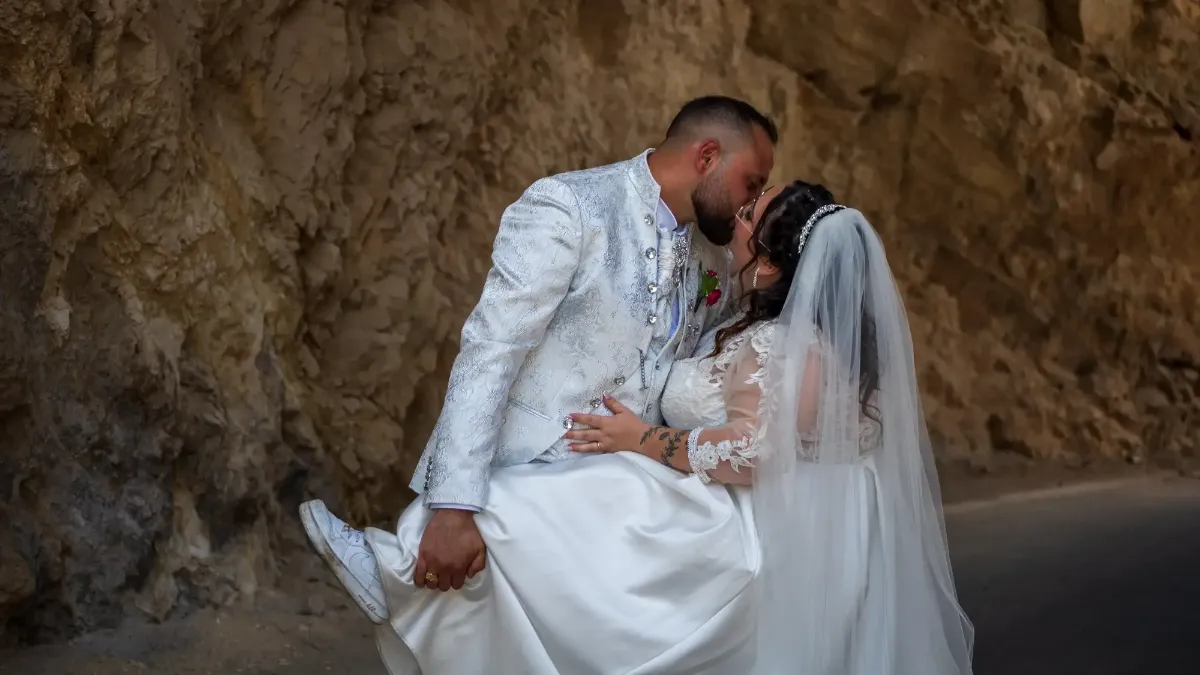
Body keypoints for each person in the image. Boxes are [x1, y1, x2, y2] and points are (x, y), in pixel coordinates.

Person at [299, 96, 777, 673]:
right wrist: (454, 504)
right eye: (751, 183)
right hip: (532, 464)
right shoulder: (570, 205)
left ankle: (393, 572)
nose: (752, 204)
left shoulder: (716, 260)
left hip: (627, 486)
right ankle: (397, 564)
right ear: (706, 156)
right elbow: (491, 349)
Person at [570, 182, 976, 673]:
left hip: (756, 539)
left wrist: (641, 439)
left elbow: (753, 449)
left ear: (767, 264)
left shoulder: (786, 347)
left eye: (746, 216)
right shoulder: (796, 331)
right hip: (799, 522)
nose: (734, 219)